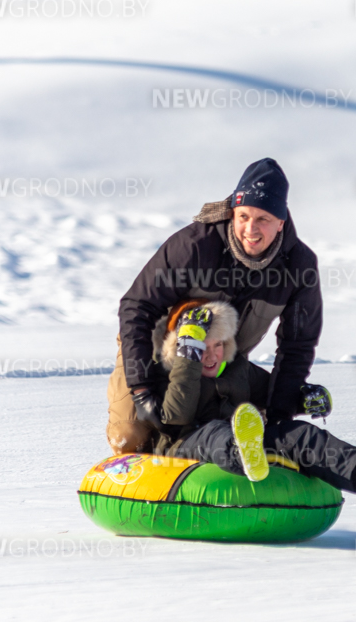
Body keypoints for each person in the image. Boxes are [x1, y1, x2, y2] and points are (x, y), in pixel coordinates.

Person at [106, 157, 323, 454]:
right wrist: (142, 389)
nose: (250, 229)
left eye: (263, 219)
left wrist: (279, 417)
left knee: (230, 432)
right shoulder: (195, 246)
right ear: (233, 211)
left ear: (281, 222)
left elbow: (297, 345)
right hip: (154, 349)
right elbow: (136, 307)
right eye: (244, 216)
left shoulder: (299, 266)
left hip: (221, 360)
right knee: (131, 436)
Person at [144, 297, 356, 513]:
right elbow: (176, 417)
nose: (212, 354)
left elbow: (275, 395)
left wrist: (305, 397)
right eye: (201, 346)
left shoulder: (238, 369)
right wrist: (187, 361)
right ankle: (242, 453)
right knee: (216, 431)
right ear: (182, 348)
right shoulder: (166, 373)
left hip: (246, 442)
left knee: (300, 434)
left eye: (218, 344)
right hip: (185, 444)